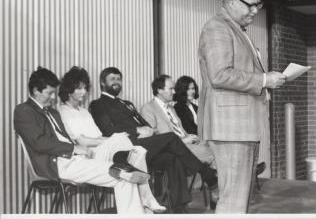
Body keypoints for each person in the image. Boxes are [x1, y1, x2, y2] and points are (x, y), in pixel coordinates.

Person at [198, 0, 286, 213]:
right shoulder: (217, 28)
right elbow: (220, 75)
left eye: (258, 5)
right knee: (233, 201)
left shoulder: (237, 29)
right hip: (231, 129)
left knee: (239, 200)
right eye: (251, 4)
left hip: (240, 128)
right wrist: (265, 79)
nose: (255, 11)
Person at [14, 67, 151, 214]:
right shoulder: (24, 110)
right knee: (122, 174)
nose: (53, 97)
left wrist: (80, 152)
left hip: (75, 160)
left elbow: (64, 137)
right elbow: (38, 142)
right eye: (49, 93)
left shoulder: (53, 112)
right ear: (36, 91)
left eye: (54, 93)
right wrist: (74, 149)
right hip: (57, 164)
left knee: (123, 174)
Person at [89, 67, 218, 213]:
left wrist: (149, 130)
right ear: (102, 82)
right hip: (124, 148)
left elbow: (146, 124)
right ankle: (208, 176)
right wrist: (136, 130)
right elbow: (107, 131)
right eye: (112, 79)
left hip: (144, 145)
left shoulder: (126, 103)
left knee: (172, 157)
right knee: (171, 137)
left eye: (119, 79)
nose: (117, 82)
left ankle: (179, 208)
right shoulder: (97, 104)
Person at [58, 66, 166, 213]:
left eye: (85, 88)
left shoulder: (83, 112)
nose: (83, 92)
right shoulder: (64, 112)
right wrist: (110, 140)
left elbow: (99, 136)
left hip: (101, 151)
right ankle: (146, 197)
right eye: (79, 89)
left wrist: (110, 140)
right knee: (122, 140)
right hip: (88, 156)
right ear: (69, 90)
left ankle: (146, 198)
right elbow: (82, 142)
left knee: (138, 151)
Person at [174, 75, 267, 180]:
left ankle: (248, 170)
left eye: (192, 88)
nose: (191, 91)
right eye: (188, 89)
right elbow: (188, 130)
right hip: (196, 143)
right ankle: (246, 173)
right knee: (221, 150)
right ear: (182, 90)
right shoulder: (178, 108)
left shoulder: (195, 107)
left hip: (204, 139)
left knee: (229, 144)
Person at [141, 74, 215, 168]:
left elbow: (180, 130)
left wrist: (189, 136)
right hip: (176, 148)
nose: (174, 91)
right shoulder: (148, 109)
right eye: (170, 89)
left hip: (187, 143)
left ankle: (210, 179)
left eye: (174, 88)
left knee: (216, 147)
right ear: (159, 90)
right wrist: (183, 141)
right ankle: (214, 180)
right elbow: (154, 140)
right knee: (215, 155)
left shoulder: (171, 108)